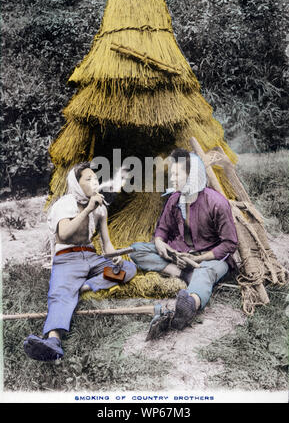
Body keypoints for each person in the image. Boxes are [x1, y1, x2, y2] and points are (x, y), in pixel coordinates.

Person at [24, 162, 137, 361]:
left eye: (95, 178)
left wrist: (116, 256)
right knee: (59, 293)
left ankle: (84, 287)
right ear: (76, 184)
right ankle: (53, 340)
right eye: (88, 179)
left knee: (127, 269)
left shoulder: (100, 209)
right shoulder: (65, 204)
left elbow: (107, 246)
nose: (95, 182)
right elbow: (64, 234)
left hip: (91, 258)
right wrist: (87, 210)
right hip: (67, 257)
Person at [130, 148, 238, 332]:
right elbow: (162, 229)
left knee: (204, 272)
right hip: (179, 255)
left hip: (209, 259)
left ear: (191, 175)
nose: (172, 179)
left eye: (176, 174)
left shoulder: (216, 203)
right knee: (137, 250)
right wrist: (160, 244)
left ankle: (189, 304)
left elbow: (229, 244)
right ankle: (183, 275)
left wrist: (199, 259)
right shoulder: (175, 199)